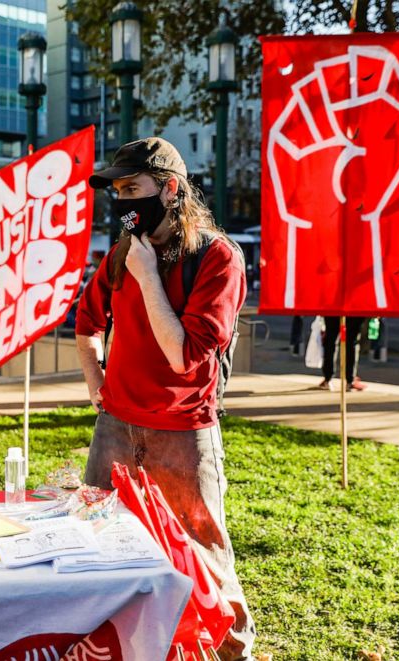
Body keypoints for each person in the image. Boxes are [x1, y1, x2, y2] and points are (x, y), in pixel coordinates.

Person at [74, 138, 255, 660]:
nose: (122, 202)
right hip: (115, 428)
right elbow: (87, 325)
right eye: (117, 192)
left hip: (183, 432)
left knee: (204, 554)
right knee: (101, 544)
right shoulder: (120, 256)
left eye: (133, 189)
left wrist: (149, 276)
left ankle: (233, 649)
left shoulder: (217, 257)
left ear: (170, 189)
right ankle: (117, 646)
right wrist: (97, 385)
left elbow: (184, 357)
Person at [318, 316, 368, 392]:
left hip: (333, 308)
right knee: (351, 341)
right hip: (353, 309)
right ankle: (350, 380)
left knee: (331, 339)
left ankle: (328, 378)